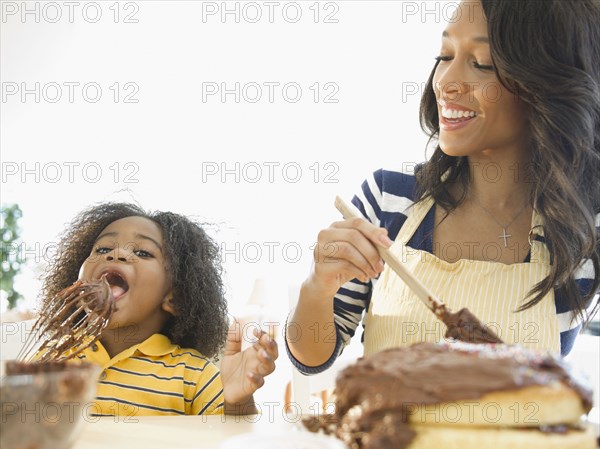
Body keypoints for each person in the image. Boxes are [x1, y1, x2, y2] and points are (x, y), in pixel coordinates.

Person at [286, 0, 600, 374]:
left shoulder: (583, 230)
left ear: (543, 84)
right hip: (389, 433)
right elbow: (312, 356)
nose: (446, 82)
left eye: (481, 62)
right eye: (445, 55)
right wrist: (317, 286)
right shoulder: (388, 202)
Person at [40, 202, 278, 416]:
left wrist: (236, 402)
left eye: (142, 252)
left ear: (173, 299)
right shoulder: (51, 359)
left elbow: (226, 442)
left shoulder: (193, 375)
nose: (117, 254)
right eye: (102, 249)